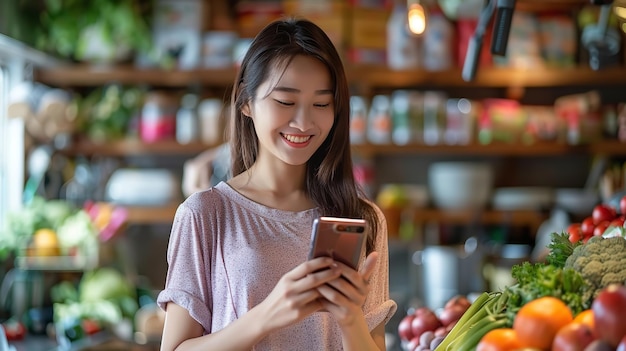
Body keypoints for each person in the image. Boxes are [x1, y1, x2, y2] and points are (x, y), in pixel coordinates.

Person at [157, 17, 397, 351]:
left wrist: (351, 317)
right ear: (246, 102)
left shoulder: (364, 219)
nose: (303, 122)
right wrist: (268, 314)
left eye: (321, 104)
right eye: (285, 101)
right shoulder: (205, 214)